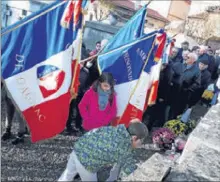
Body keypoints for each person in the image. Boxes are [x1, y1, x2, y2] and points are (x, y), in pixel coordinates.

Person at [58, 120, 149, 181]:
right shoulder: (123, 149)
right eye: (142, 140)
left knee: (68, 175)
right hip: (86, 162)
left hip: (78, 148)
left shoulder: (115, 129)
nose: (142, 144)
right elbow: (130, 170)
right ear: (134, 138)